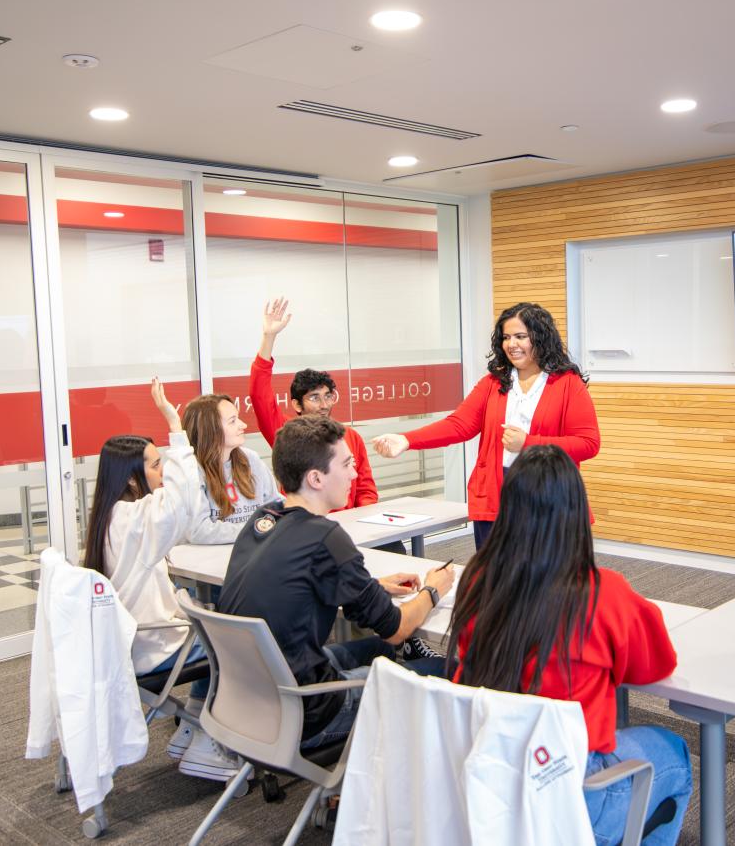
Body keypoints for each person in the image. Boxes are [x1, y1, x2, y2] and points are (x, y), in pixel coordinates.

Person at [447, 444, 691, 846]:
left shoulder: (477, 580)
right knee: (676, 753)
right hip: (570, 800)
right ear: (576, 514)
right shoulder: (603, 592)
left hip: (489, 785)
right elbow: (654, 668)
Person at [215, 416, 456, 749]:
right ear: (316, 478)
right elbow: (397, 627)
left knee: (379, 649)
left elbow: (297, 583)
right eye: (345, 465)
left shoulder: (265, 519)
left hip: (249, 698)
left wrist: (375, 586)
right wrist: (433, 589)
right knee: (448, 669)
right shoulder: (325, 536)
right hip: (307, 711)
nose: (354, 474)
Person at [81, 378, 240, 781]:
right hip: (151, 646)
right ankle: (208, 740)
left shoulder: (110, 517)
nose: (163, 470)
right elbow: (182, 497)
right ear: (133, 479)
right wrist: (175, 425)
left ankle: (191, 726)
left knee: (210, 624)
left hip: (128, 642)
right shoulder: (136, 519)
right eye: (155, 465)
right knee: (239, 648)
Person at [373, 302, 600, 547]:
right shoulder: (493, 382)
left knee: (545, 578)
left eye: (521, 336)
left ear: (541, 337)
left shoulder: (568, 384)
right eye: (506, 337)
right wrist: (407, 440)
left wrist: (528, 443)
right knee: (495, 578)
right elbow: (459, 425)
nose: (511, 344)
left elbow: (588, 443)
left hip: (548, 493)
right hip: (495, 492)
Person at [247, 297, 379, 510]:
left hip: (349, 528)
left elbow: (366, 490)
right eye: (314, 398)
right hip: (304, 527)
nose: (324, 405)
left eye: (327, 396)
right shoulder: (288, 436)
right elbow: (259, 395)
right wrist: (268, 337)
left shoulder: (350, 437)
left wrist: (361, 522)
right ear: (297, 405)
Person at [180, 391, 280, 544]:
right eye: (233, 421)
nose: (243, 425)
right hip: (209, 563)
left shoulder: (250, 458)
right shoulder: (191, 469)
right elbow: (198, 531)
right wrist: (257, 529)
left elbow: (276, 504)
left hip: (256, 552)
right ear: (210, 430)